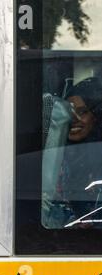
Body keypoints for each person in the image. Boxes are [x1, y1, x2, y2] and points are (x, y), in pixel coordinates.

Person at [43, 77, 102, 228]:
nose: (74, 119)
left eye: (82, 112)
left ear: (96, 117)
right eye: (69, 111)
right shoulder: (51, 156)